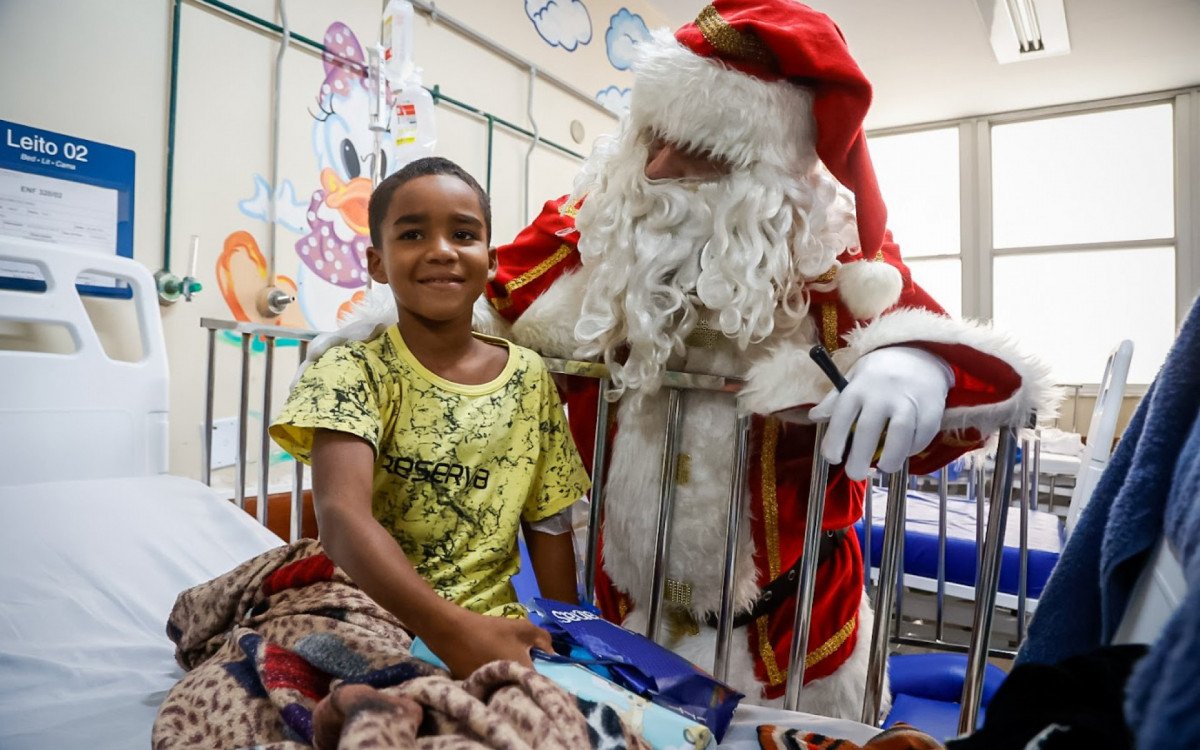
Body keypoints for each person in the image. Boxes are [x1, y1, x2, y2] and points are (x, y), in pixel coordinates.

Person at [475, 0, 1057, 718]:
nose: (656, 168)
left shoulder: (833, 253)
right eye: (653, 136)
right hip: (628, 606)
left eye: (699, 152)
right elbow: (474, 307)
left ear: (766, 171)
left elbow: (965, 363)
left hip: (800, 632)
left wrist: (912, 361)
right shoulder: (594, 224)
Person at [269, 156, 590, 680]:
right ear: (377, 262)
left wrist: (568, 641)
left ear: (489, 260)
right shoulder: (353, 370)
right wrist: (452, 633)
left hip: (492, 627)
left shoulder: (528, 377)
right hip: (367, 617)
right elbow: (341, 517)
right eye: (413, 234)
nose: (441, 250)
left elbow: (548, 518)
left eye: (463, 233)